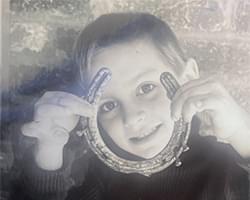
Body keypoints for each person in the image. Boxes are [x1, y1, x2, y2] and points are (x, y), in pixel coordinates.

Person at [9, 12, 250, 200]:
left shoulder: (228, 162)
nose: (132, 118)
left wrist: (243, 134)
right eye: (109, 105)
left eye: (146, 88)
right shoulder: (94, 177)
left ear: (188, 78)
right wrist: (48, 156)